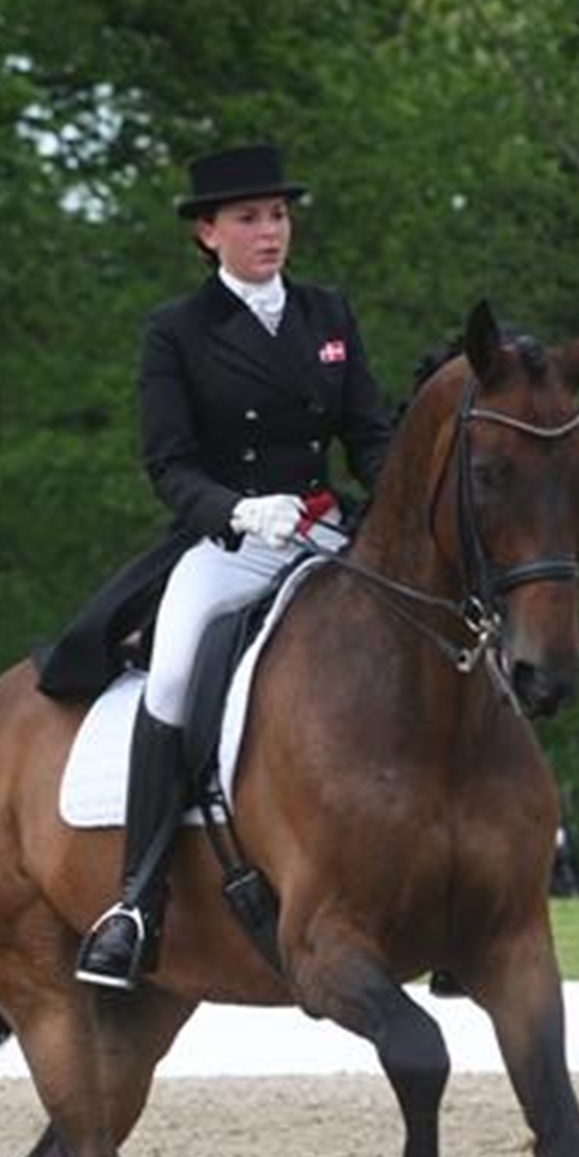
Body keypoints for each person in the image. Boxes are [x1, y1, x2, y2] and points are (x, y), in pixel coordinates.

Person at [72, 142, 392, 989]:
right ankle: (136, 902)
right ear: (207, 233)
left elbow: (368, 434)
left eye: (278, 215)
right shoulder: (177, 331)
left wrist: (401, 503)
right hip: (232, 546)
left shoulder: (327, 313)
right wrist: (238, 511)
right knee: (174, 677)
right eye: (248, 218)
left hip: (325, 532)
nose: (269, 231)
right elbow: (169, 465)